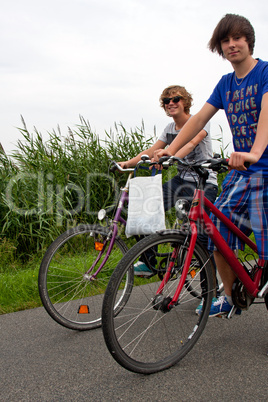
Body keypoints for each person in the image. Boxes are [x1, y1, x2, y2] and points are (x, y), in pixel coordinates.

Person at [154, 14, 268, 317]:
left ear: (248, 41)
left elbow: (266, 118)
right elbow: (199, 120)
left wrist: (255, 152)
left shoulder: (265, 73)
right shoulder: (225, 84)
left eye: (237, 38)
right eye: (225, 41)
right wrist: (169, 153)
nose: (231, 45)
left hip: (264, 168)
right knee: (215, 228)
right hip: (242, 172)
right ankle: (230, 296)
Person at [119, 85, 218, 294]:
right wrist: (129, 163)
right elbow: (153, 149)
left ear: (185, 102)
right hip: (181, 180)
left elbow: (191, 143)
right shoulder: (169, 128)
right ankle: (149, 261)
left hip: (203, 182)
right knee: (145, 208)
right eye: (167, 101)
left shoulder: (200, 121)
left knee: (201, 237)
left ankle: (209, 292)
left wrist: (169, 156)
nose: (171, 103)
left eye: (176, 99)